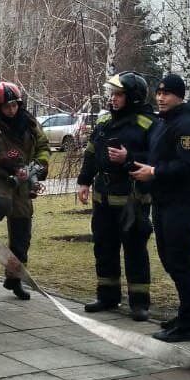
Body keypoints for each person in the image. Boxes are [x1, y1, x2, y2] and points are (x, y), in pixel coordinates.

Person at [131, 73, 190, 342]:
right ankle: (185, 316)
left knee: (181, 263)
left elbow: (188, 167)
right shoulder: (163, 123)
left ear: (180, 96)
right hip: (162, 202)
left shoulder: (186, 126)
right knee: (169, 260)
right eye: (159, 92)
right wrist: (132, 160)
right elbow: (154, 156)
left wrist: (154, 171)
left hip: (181, 204)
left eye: (167, 93)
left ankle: (189, 324)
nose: (161, 97)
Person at [77, 72, 156, 321]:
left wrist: (128, 159)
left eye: (119, 94)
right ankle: (107, 297)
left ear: (132, 96)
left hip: (132, 201)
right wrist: (83, 181)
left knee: (135, 252)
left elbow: (154, 162)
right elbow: (91, 153)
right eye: (112, 94)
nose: (113, 98)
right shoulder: (104, 122)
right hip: (103, 199)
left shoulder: (148, 124)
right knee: (104, 249)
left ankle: (139, 303)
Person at [0, 81, 49, 300]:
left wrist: (37, 169)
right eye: (6, 107)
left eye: (14, 105)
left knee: (22, 231)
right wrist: (0, 158)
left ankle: (14, 280)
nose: (11, 110)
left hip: (23, 177)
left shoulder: (30, 124)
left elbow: (43, 148)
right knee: (2, 204)